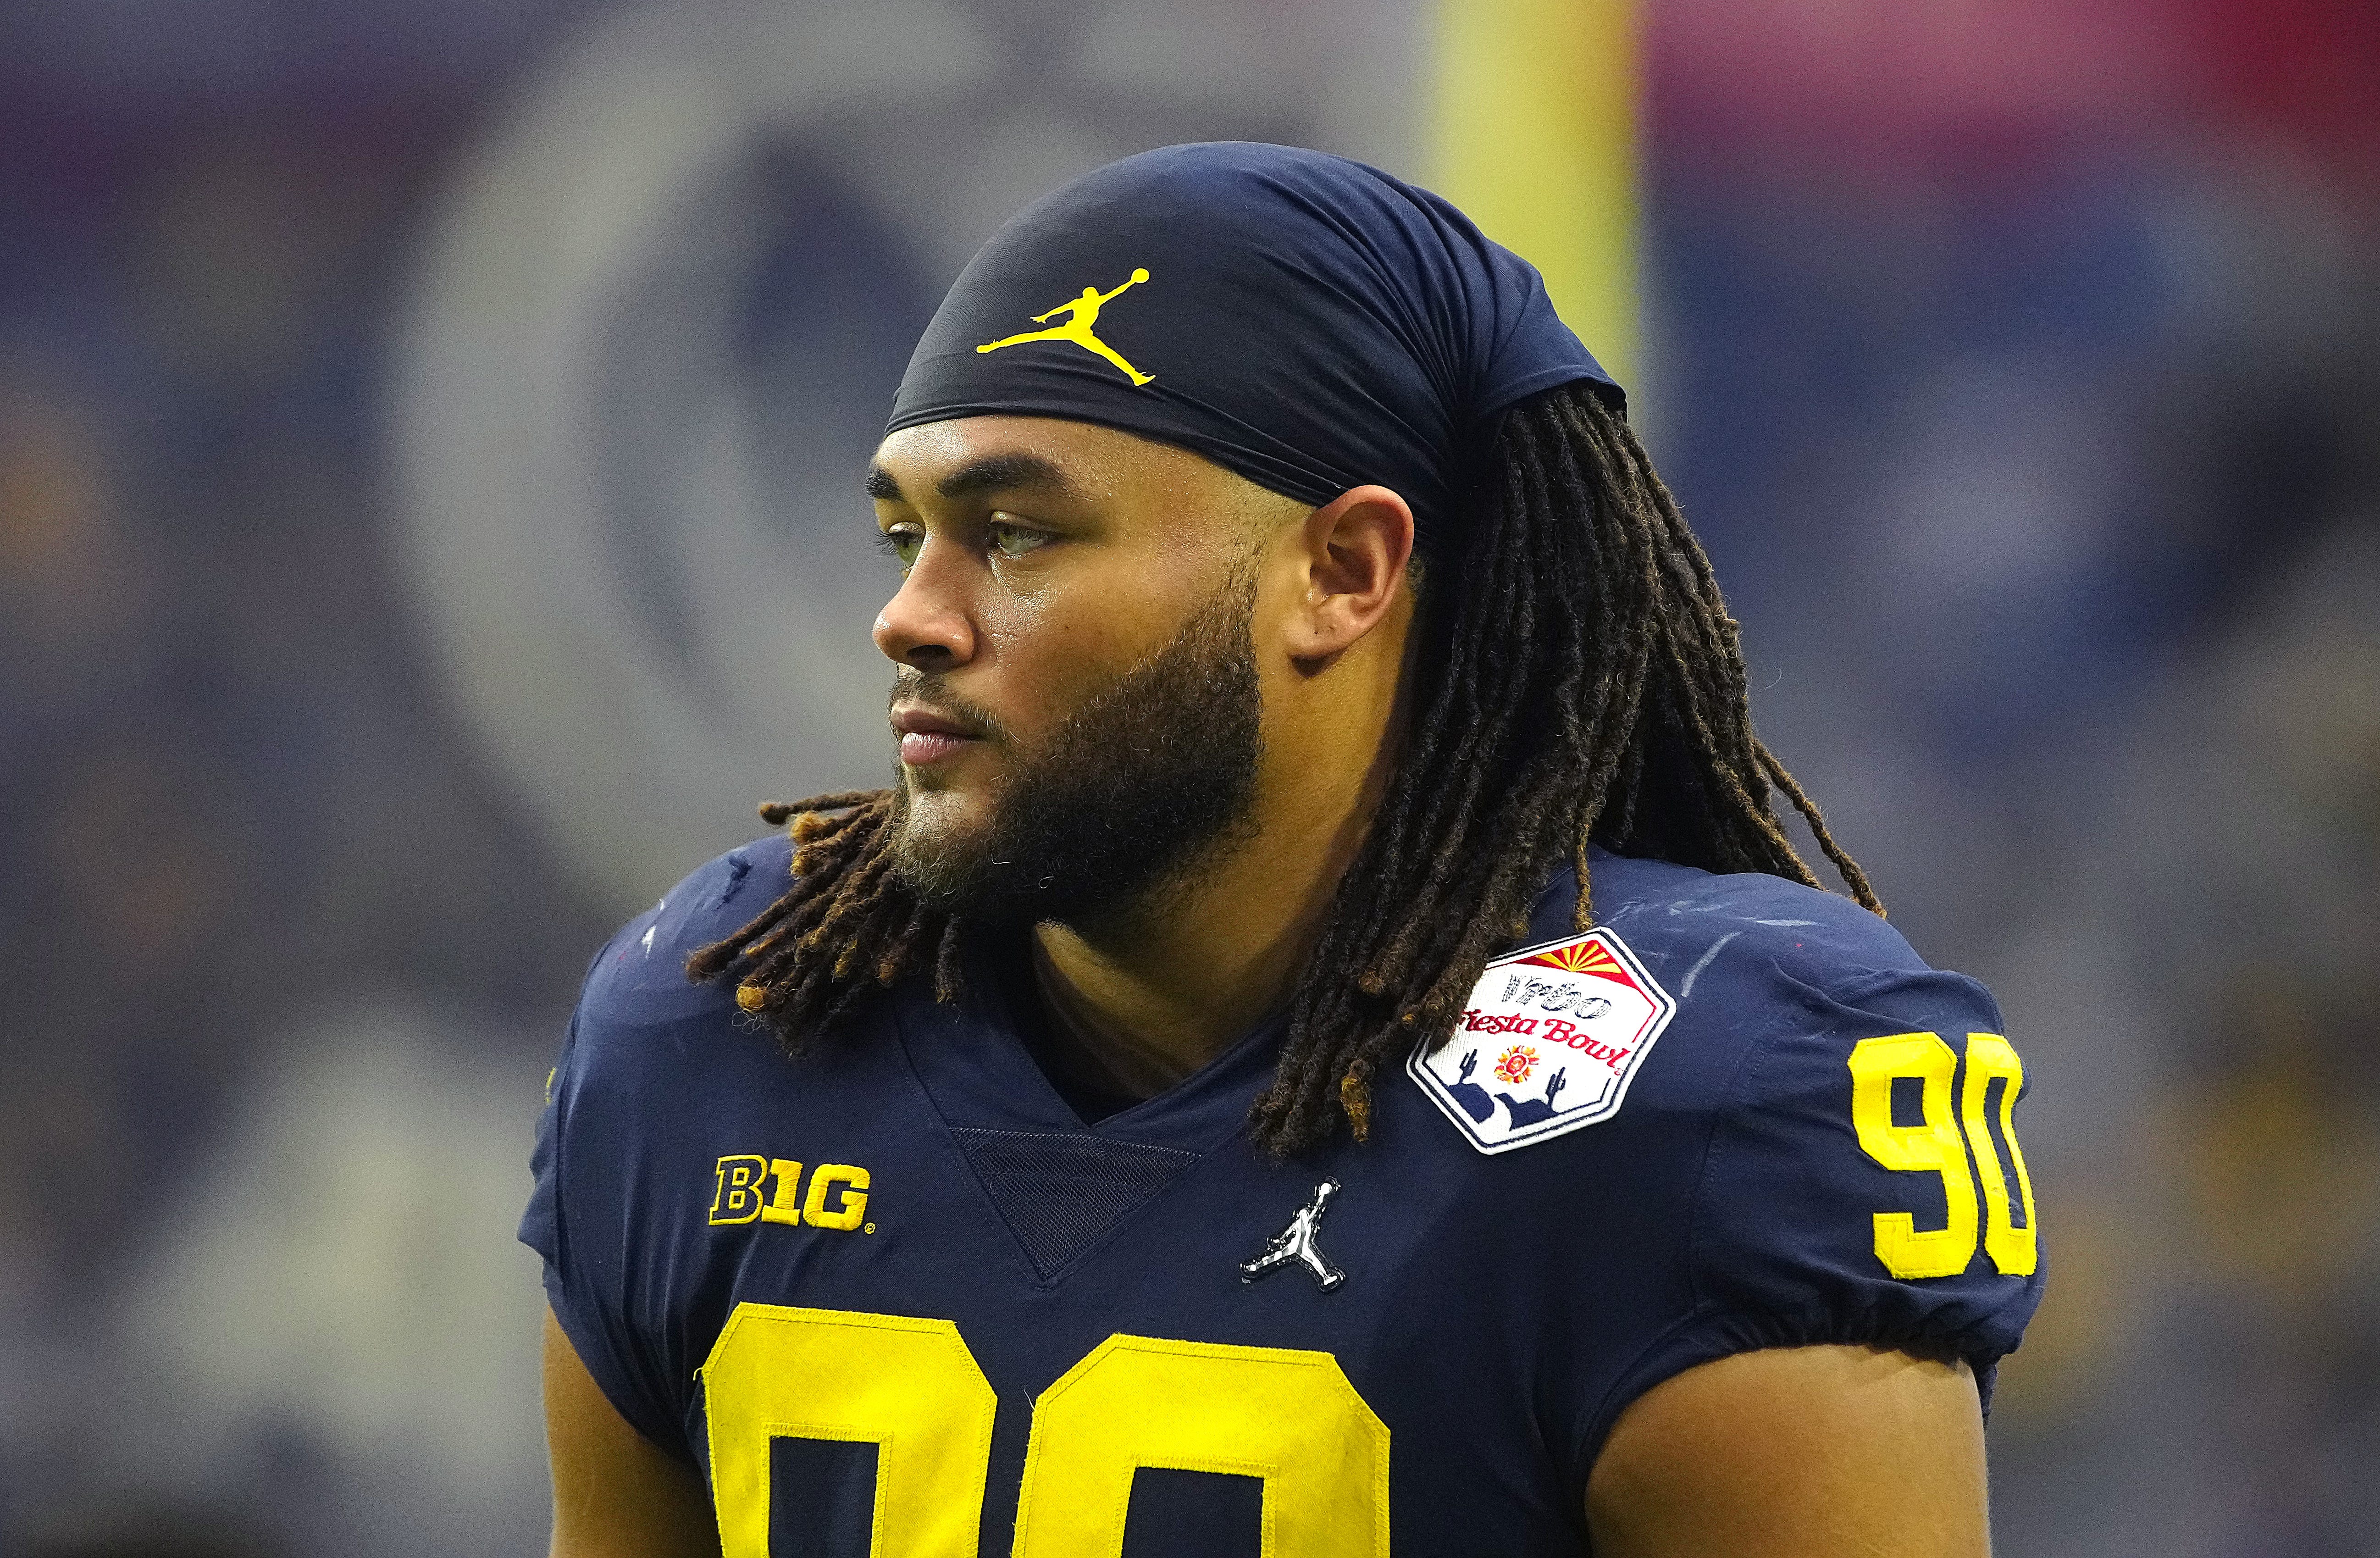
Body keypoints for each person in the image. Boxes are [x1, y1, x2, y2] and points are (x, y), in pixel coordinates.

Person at [525, 142, 2044, 1557]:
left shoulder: (1701, 1101)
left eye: (1018, 533)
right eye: (902, 533)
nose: (910, 615)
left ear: (1344, 572)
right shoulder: (715, 1033)